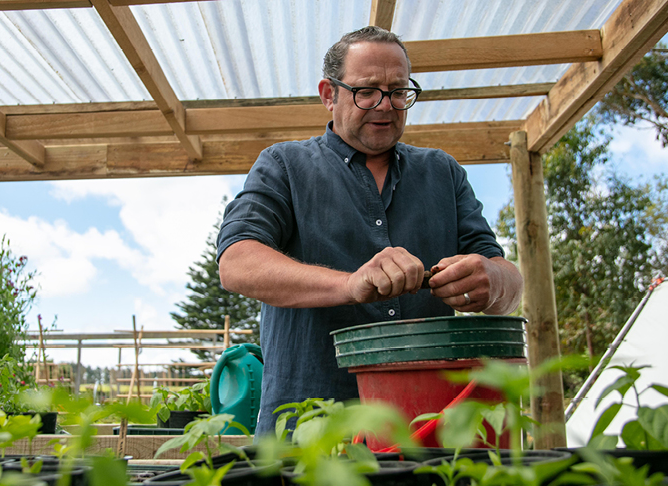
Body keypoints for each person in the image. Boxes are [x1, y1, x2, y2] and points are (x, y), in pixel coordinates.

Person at [215, 26, 523, 437]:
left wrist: (493, 280)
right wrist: (351, 283)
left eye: (398, 91)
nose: (385, 105)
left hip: (428, 429)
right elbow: (237, 262)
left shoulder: (442, 173)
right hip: (310, 429)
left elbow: (507, 279)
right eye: (366, 91)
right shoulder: (284, 165)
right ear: (329, 94)